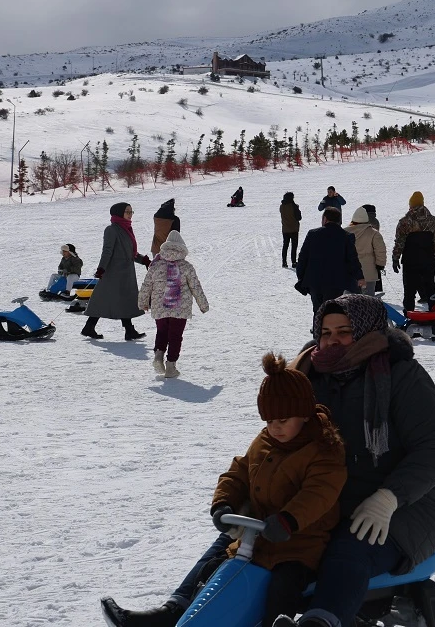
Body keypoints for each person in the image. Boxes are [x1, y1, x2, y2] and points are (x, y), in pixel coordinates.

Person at [102, 353, 347, 627]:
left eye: (283, 419)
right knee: (212, 570)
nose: (275, 427)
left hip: (299, 543)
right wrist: (224, 503)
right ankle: (175, 613)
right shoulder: (266, 440)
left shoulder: (323, 448)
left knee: (283, 585)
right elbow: (239, 471)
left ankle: (279, 622)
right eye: (269, 420)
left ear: (303, 413)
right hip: (257, 537)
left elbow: (320, 492)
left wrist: (289, 519)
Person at [278, 294, 435, 627]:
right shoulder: (308, 374)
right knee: (248, 536)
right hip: (328, 500)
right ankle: (179, 607)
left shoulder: (400, 373)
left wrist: (389, 498)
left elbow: (434, 445)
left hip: (404, 509)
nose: (332, 340)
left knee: (350, 549)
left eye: (344, 331)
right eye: (325, 333)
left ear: (368, 329)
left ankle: (320, 622)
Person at [139, 231, 209, 377]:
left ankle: (159, 356)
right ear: (182, 249)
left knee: (162, 332)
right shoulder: (186, 266)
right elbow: (196, 287)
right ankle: (171, 366)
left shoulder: (156, 265)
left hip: (160, 307)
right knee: (175, 336)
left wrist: (143, 302)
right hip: (180, 308)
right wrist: (203, 305)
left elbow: (146, 285)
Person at [82, 202, 149, 341]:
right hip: (114, 272)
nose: (130, 215)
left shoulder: (126, 228)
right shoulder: (111, 229)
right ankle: (126, 330)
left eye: (131, 212)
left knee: (123, 300)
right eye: (127, 212)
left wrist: (144, 260)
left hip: (125, 271)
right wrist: (101, 269)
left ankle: (92, 327)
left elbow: (130, 252)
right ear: (119, 213)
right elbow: (107, 251)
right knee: (106, 299)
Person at [297, 208, 363, 314]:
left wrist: (301, 278)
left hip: (315, 282)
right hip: (336, 283)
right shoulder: (346, 236)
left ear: (325, 219)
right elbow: (352, 259)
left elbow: (302, 258)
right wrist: (360, 277)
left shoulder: (313, 234)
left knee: (318, 312)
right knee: (332, 313)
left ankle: (318, 329)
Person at [391, 192, 435, 312]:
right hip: (428, 259)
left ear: (410, 205)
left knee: (409, 290)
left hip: (410, 260)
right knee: (430, 288)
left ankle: (409, 316)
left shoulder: (404, 221)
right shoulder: (433, 221)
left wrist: (395, 258)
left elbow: (399, 242)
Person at [345, 207, 386, 297]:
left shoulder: (344, 232)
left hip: (349, 273)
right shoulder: (374, 233)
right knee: (368, 301)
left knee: (348, 301)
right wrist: (380, 265)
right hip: (369, 273)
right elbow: (380, 250)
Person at [280, 192, 303, 269]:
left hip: (285, 229)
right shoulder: (294, 206)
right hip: (294, 229)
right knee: (294, 246)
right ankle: (293, 262)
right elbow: (299, 217)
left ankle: (284, 262)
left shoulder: (281, 206)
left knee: (285, 245)